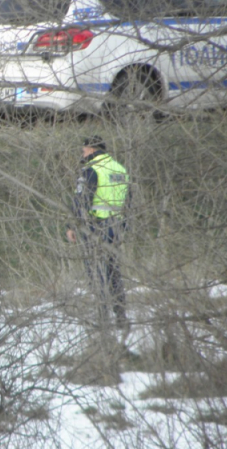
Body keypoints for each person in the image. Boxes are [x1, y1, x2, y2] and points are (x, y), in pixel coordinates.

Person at [66, 136, 130, 329]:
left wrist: (71, 226)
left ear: (92, 149)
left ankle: (103, 319)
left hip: (96, 227)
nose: (82, 154)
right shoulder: (119, 169)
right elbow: (128, 201)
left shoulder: (91, 170)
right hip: (116, 226)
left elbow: (81, 200)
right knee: (113, 272)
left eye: (84, 150)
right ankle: (121, 317)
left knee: (96, 272)